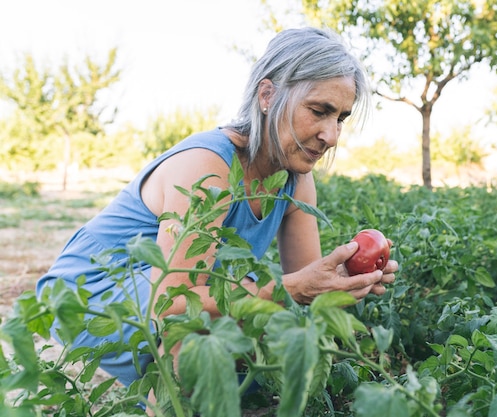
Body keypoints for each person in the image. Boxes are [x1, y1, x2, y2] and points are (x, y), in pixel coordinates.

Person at [36, 26, 398, 389]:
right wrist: (289, 290)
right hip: (88, 292)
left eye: (340, 119)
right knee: (212, 314)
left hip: (163, 295)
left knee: (263, 348)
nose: (331, 136)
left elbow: (306, 288)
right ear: (267, 95)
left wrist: (342, 283)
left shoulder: (296, 179)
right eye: (319, 111)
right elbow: (174, 303)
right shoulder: (209, 164)